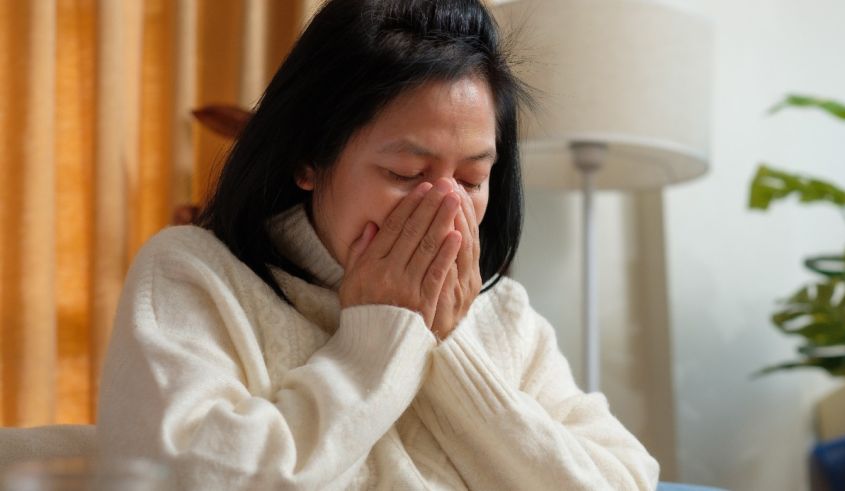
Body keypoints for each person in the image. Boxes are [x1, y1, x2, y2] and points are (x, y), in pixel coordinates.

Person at [97, 0, 660, 489]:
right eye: (406, 172)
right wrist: (379, 342)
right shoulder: (194, 276)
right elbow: (187, 478)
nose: (444, 208)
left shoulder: (506, 316)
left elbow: (624, 479)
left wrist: (447, 344)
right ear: (308, 158)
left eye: (470, 181)